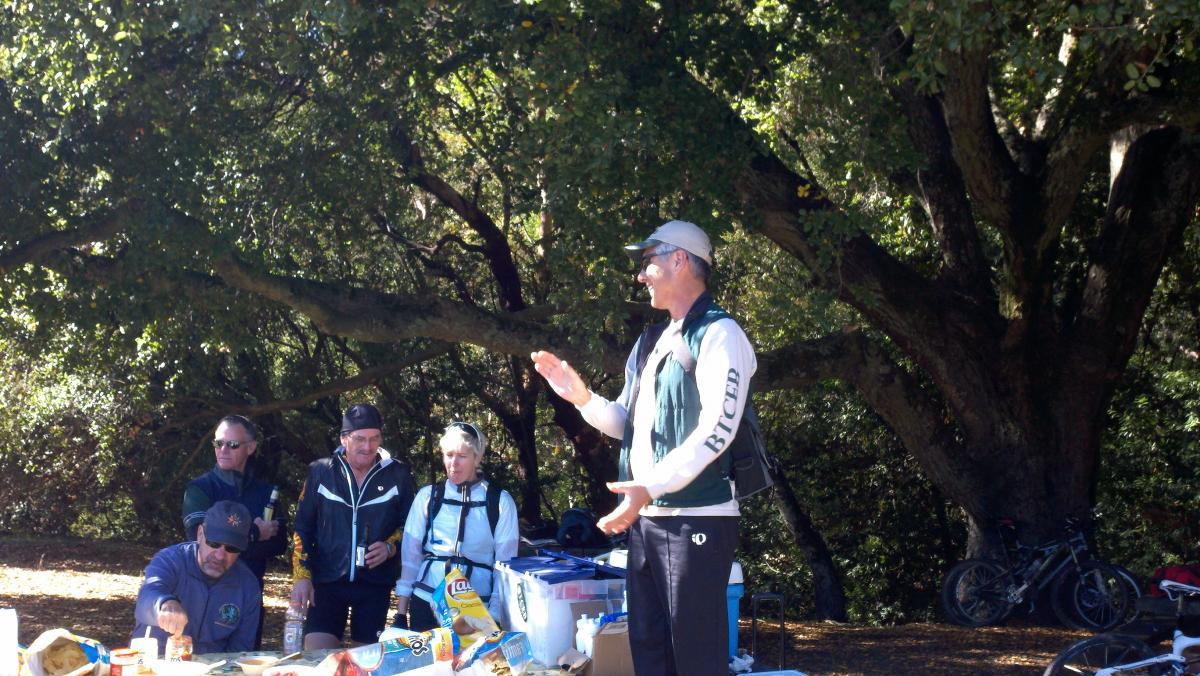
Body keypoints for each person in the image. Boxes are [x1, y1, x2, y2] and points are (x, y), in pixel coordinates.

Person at [531, 220, 755, 676]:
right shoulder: (651, 341)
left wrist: (649, 486)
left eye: (648, 261)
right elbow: (626, 425)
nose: (641, 274)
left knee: (696, 660)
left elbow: (719, 429)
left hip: (698, 520)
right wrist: (581, 398)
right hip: (648, 522)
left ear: (680, 260)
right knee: (650, 651)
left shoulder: (720, 334)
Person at [290, 403, 416, 649]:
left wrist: (391, 547)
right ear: (344, 439)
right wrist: (302, 576)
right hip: (327, 581)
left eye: (374, 439)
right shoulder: (320, 472)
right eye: (360, 439)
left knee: (367, 662)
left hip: (374, 585)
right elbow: (302, 528)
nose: (368, 447)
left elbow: (412, 527)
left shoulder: (398, 474)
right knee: (318, 660)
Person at [393, 421, 518, 630]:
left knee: (469, 663)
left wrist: (495, 614)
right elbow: (411, 557)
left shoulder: (500, 502)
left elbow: (505, 566)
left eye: (462, 456)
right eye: (449, 455)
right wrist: (400, 613)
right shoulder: (428, 497)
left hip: (476, 605)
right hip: (427, 598)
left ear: (477, 458)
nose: (453, 463)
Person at [181, 414, 287, 648]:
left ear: (251, 447)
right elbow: (197, 539)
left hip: (247, 596)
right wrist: (254, 535)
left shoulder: (267, 492)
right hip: (202, 594)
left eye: (233, 444)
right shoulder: (199, 489)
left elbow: (280, 543)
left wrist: (231, 538)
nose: (223, 449)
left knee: (245, 665)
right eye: (218, 443)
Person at [132, 501, 262, 654]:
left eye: (231, 548)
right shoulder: (170, 560)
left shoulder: (248, 586)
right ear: (200, 534)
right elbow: (147, 595)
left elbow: (240, 652)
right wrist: (165, 603)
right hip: (155, 663)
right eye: (214, 543)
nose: (220, 555)